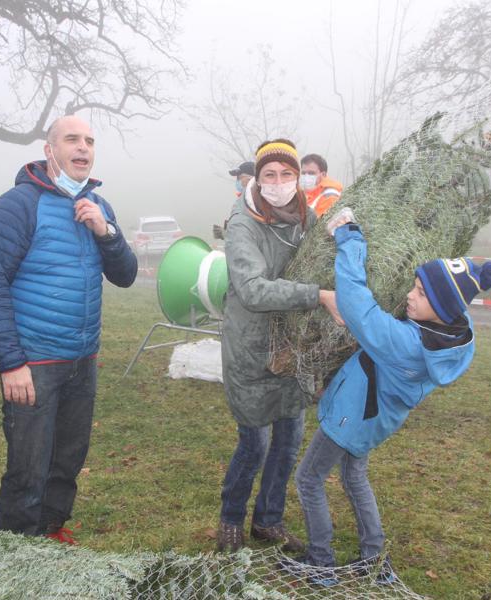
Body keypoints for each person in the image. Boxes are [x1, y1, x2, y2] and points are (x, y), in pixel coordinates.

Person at [287, 208, 491, 585]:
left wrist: (351, 239)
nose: (408, 296)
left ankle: (321, 561)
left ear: (443, 308)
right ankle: (373, 558)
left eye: (419, 293)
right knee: (355, 477)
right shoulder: (452, 334)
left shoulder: (405, 343)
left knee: (308, 479)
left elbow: (357, 306)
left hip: (352, 416)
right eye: (414, 287)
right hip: (375, 418)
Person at [0, 115, 138, 544]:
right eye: (72, 139)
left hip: (82, 359)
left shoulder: (99, 207)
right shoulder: (16, 206)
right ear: (50, 150)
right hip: (34, 362)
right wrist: (11, 363)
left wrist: (107, 234)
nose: (83, 148)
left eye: (89, 140)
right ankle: (13, 549)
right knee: (28, 465)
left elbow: (126, 275)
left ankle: (49, 530)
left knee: (67, 459)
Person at [217, 139, 343, 553]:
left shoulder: (304, 217)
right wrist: (317, 295)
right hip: (251, 348)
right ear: (257, 178)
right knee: (254, 445)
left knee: (288, 443)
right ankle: (231, 519)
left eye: (286, 174)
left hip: (292, 348)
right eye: (269, 175)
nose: (278, 182)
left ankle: (268, 520)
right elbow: (252, 290)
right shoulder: (242, 224)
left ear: (297, 177)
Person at [214, 161, 255, 241]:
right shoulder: (243, 200)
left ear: (251, 179)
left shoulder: (256, 201)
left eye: (240, 177)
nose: (238, 181)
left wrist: (229, 234)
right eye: (237, 179)